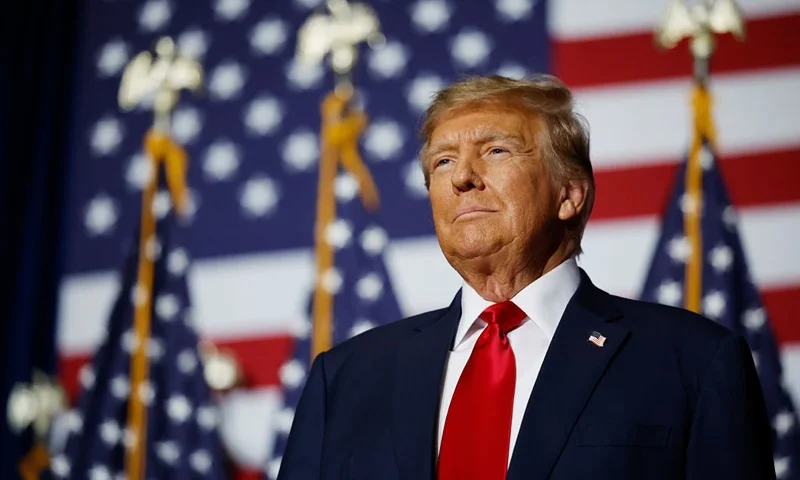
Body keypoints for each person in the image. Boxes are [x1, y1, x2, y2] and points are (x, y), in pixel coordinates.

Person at [276, 74, 775, 480]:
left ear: (569, 194)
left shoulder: (693, 361)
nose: (462, 177)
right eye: (443, 161)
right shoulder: (344, 378)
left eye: (495, 151)